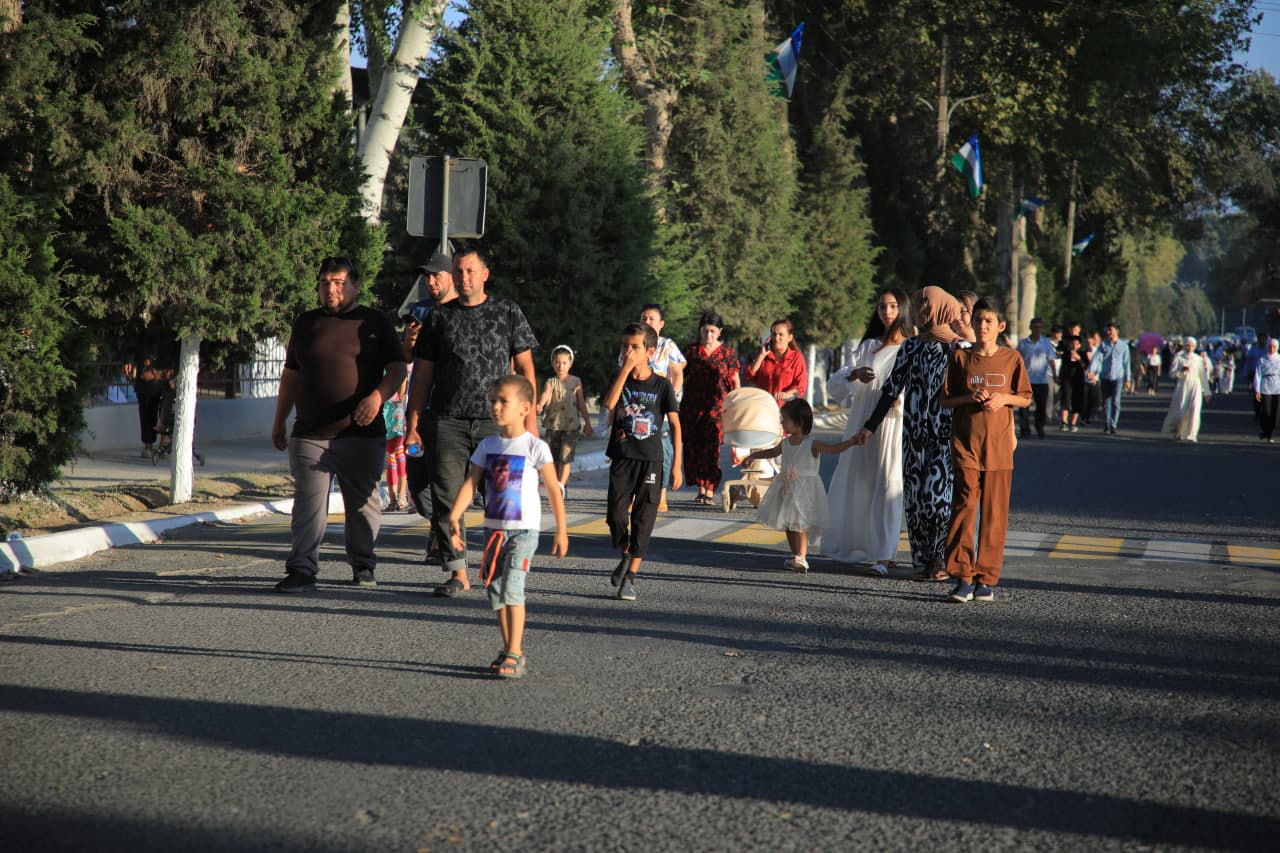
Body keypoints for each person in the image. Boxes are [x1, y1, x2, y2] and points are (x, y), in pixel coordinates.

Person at [403, 247, 539, 598]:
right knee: (448, 500)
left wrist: (530, 420)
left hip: (499, 424)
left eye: (470, 271)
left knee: (503, 500)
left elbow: (525, 370)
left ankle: (502, 566)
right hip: (447, 422)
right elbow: (422, 377)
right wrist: (413, 422)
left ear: (484, 275)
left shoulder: (506, 311)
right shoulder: (439, 318)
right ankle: (457, 572)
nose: (464, 277)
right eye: (458, 271)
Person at [271, 256, 407, 592]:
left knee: (363, 506)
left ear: (355, 286)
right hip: (310, 433)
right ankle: (301, 569)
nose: (330, 289)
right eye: (324, 283)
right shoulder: (306, 323)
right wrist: (279, 419)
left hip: (361, 434)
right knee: (308, 505)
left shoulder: (374, 322)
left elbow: (398, 369)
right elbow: (291, 374)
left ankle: (363, 564)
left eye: (338, 282)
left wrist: (377, 397)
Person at [447, 376, 568, 679]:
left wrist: (562, 531)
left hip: (524, 532)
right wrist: (454, 516)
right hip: (493, 531)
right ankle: (509, 648)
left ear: (525, 408)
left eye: (503, 401)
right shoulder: (488, 445)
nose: (496, 407)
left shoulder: (534, 447)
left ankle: (514, 652)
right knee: (497, 591)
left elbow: (553, 489)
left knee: (512, 587)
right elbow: (471, 482)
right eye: (493, 401)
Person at [852, 286, 962, 583]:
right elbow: (891, 389)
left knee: (936, 496)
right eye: (919, 302)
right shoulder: (911, 346)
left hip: (943, 434)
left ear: (942, 306)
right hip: (913, 434)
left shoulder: (956, 348)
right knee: (914, 497)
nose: (923, 307)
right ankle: (923, 561)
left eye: (928, 302)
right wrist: (870, 426)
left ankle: (940, 556)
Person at [940, 298, 1032, 603]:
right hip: (966, 445)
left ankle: (986, 579)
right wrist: (969, 396)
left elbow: (1025, 398)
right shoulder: (960, 359)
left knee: (994, 515)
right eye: (978, 320)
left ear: (1000, 326)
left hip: (999, 448)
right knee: (965, 506)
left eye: (989, 321)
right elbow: (945, 400)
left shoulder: (1011, 359)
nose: (982, 326)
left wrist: (1003, 398)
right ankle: (962, 576)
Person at [821, 287, 909, 574]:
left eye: (893, 306)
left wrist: (899, 399)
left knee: (887, 484)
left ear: (902, 309)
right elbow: (837, 384)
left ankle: (884, 555)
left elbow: (916, 387)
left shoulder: (909, 347)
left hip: (891, 423)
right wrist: (854, 375)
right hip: (862, 420)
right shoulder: (867, 346)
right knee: (859, 481)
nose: (887, 312)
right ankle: (865, 546)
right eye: (882, 306)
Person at [604, 322, 682, 602]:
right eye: (625, 346)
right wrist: (624, 370)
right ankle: (625, 551)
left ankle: (631, 577)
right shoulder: (620, 377)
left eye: (634, 347)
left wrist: (676, 464)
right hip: (622, 457)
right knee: (615, 516)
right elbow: (610, 404)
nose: (628, 351)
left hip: (651, 460)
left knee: (643, 520)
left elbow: (674, 424)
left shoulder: (662, 385)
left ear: (650, 351)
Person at [743, 398, 858, 573]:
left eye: (785, 419)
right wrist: (753, 456)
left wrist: (850, 442)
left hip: (805, 489)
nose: (782, 423)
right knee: (788, 524)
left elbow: (833, 449)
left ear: (800, 421)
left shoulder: (812, 443)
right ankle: (796, 554)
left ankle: (802, 556)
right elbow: (773, 452)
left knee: (800, 523)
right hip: (786, 488)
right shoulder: (786, 442)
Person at [402, 251, 457, 565]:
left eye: (437, 275)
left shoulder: (462, 312)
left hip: (451, 411)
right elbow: (406, 358)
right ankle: (437, 522)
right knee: (419, 485)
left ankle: (442, 539)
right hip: (421, 410)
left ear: (451, 277)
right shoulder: (419, 310)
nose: (431, 281)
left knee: (446, 479)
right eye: (428, 276)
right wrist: (410, 339)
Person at [681, 311, 741, 505]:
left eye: (712, 331)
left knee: (712, 450)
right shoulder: (691, 351)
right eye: (705, 331)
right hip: (692, 408)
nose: (708, 335)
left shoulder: (727, 354)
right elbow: (680, 376)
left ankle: (710, 488)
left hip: (717, 410)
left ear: (720, 332)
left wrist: (736, 406)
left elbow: (734, 382)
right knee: (694, 449)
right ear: (700, 330)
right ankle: (701, 488)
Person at [639, 304, 686, 512]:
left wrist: (671, 399)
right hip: (638, 408)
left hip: (661, 409)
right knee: (638, 451)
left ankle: (661, 493)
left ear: (661, 324)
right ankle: (637, 493)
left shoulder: (667, 346)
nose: (647, 322)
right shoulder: (634, 343)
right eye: (644, 318)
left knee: (663, 452)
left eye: (651, 319)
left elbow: (678, 372)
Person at [537, 345, 593, 497]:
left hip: (571, 426)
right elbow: (545, 395)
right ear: (552, 363)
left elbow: (581, 403)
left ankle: (561, 486)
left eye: (564, 362)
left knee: (566, 458)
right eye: (557, 362)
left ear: (570, 363)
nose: (560, 366)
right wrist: (540, 405)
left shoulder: (576, 382)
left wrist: (587, 422)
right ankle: (557, 484)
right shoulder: (551, 381)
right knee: (553, 459)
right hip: (553, 426)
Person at [745, 319, 808, 405]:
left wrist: (786, 395)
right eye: (774, 334)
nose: (776, 338)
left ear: (790, 337)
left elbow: (800, 388)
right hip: (763, 408)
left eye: (781, 335)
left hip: (784, 410)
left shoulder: (796, 358)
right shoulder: (764, 356)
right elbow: (749, 376)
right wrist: (762, 355)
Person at [1086, 322, 1133, 434]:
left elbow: (1127, 363)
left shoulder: (1124, 346)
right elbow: (1096, 358)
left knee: (1116, 401)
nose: (1108, 332)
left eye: (1110, 330)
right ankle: (1107, 423)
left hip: (1118, 376)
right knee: (1106, 400)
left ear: (1116, 331)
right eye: (1107, 330)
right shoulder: (1104, 345)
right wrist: (1091, 371)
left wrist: (1128, 379)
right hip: (1105, 376)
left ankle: (1113, 424)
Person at [1162, 336, 1212, 442]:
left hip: (1196, 386)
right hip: (1183, 386)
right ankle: (1179, 431)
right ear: (1184, 346)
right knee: (1181, 410)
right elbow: (1171, 373)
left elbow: (1203, 376)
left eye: (1192, 346)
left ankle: (1192, 434)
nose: (1190, 348)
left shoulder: (1198, 359)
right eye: (1188, 345)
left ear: (1195, 347)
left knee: (1194, 409)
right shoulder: (1179, 357)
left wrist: (1207, 392)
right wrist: (1180, 372)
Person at [1016, 317, 1056, 439]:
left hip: (1041, 380)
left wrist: (1055, 374)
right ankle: (1025, 429)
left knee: (1041, 406)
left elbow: (1051, 360)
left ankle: (1039, 427)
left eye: (1040, 327)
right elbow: (1018, 360)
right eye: (1035, 327)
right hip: (1026, 379)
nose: (1037, 329)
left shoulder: (1046, 343)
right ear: (1031, 328)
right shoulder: (1023, 343)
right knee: (1024, 406)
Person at [126, 355, 171, 458]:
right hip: (148, 379)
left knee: (165, 408)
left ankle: (160, 444)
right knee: (149, 411)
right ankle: (151, 445)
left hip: (159, 373)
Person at [382, 365, 408, 511]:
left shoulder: (396, 363)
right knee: (390, 457)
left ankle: (402, 496)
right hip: (382, 412)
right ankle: (392, 499)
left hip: (396, 410)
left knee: (398, 454)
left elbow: (403, 376)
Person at [1253, 337, 1280, 442]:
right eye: (1270, 346)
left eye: (1274, 346)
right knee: (1266, 412)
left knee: (1275, 413)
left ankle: (1269, 434)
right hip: (1265, 387)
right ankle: (1265, 431)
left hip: (1277, 388)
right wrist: (1257, 390)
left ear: (1277, 347)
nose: (1271, 348)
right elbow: (1258, 375)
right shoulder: (1262, 359)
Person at [1057, 335, 1086, 432]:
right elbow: (1062, 366)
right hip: (1066, 380)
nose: (1074, 346)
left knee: (1077, 401)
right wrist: (1059, 377)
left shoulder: (1083, 354)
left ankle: (1073, 423)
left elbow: (1086, 367)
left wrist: (1079, 359)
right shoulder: (1066, 354)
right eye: (1072, 344)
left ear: (1080, 345)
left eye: (1077, 344)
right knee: (1065, 399)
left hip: (1078, 380)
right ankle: (1063, 422)